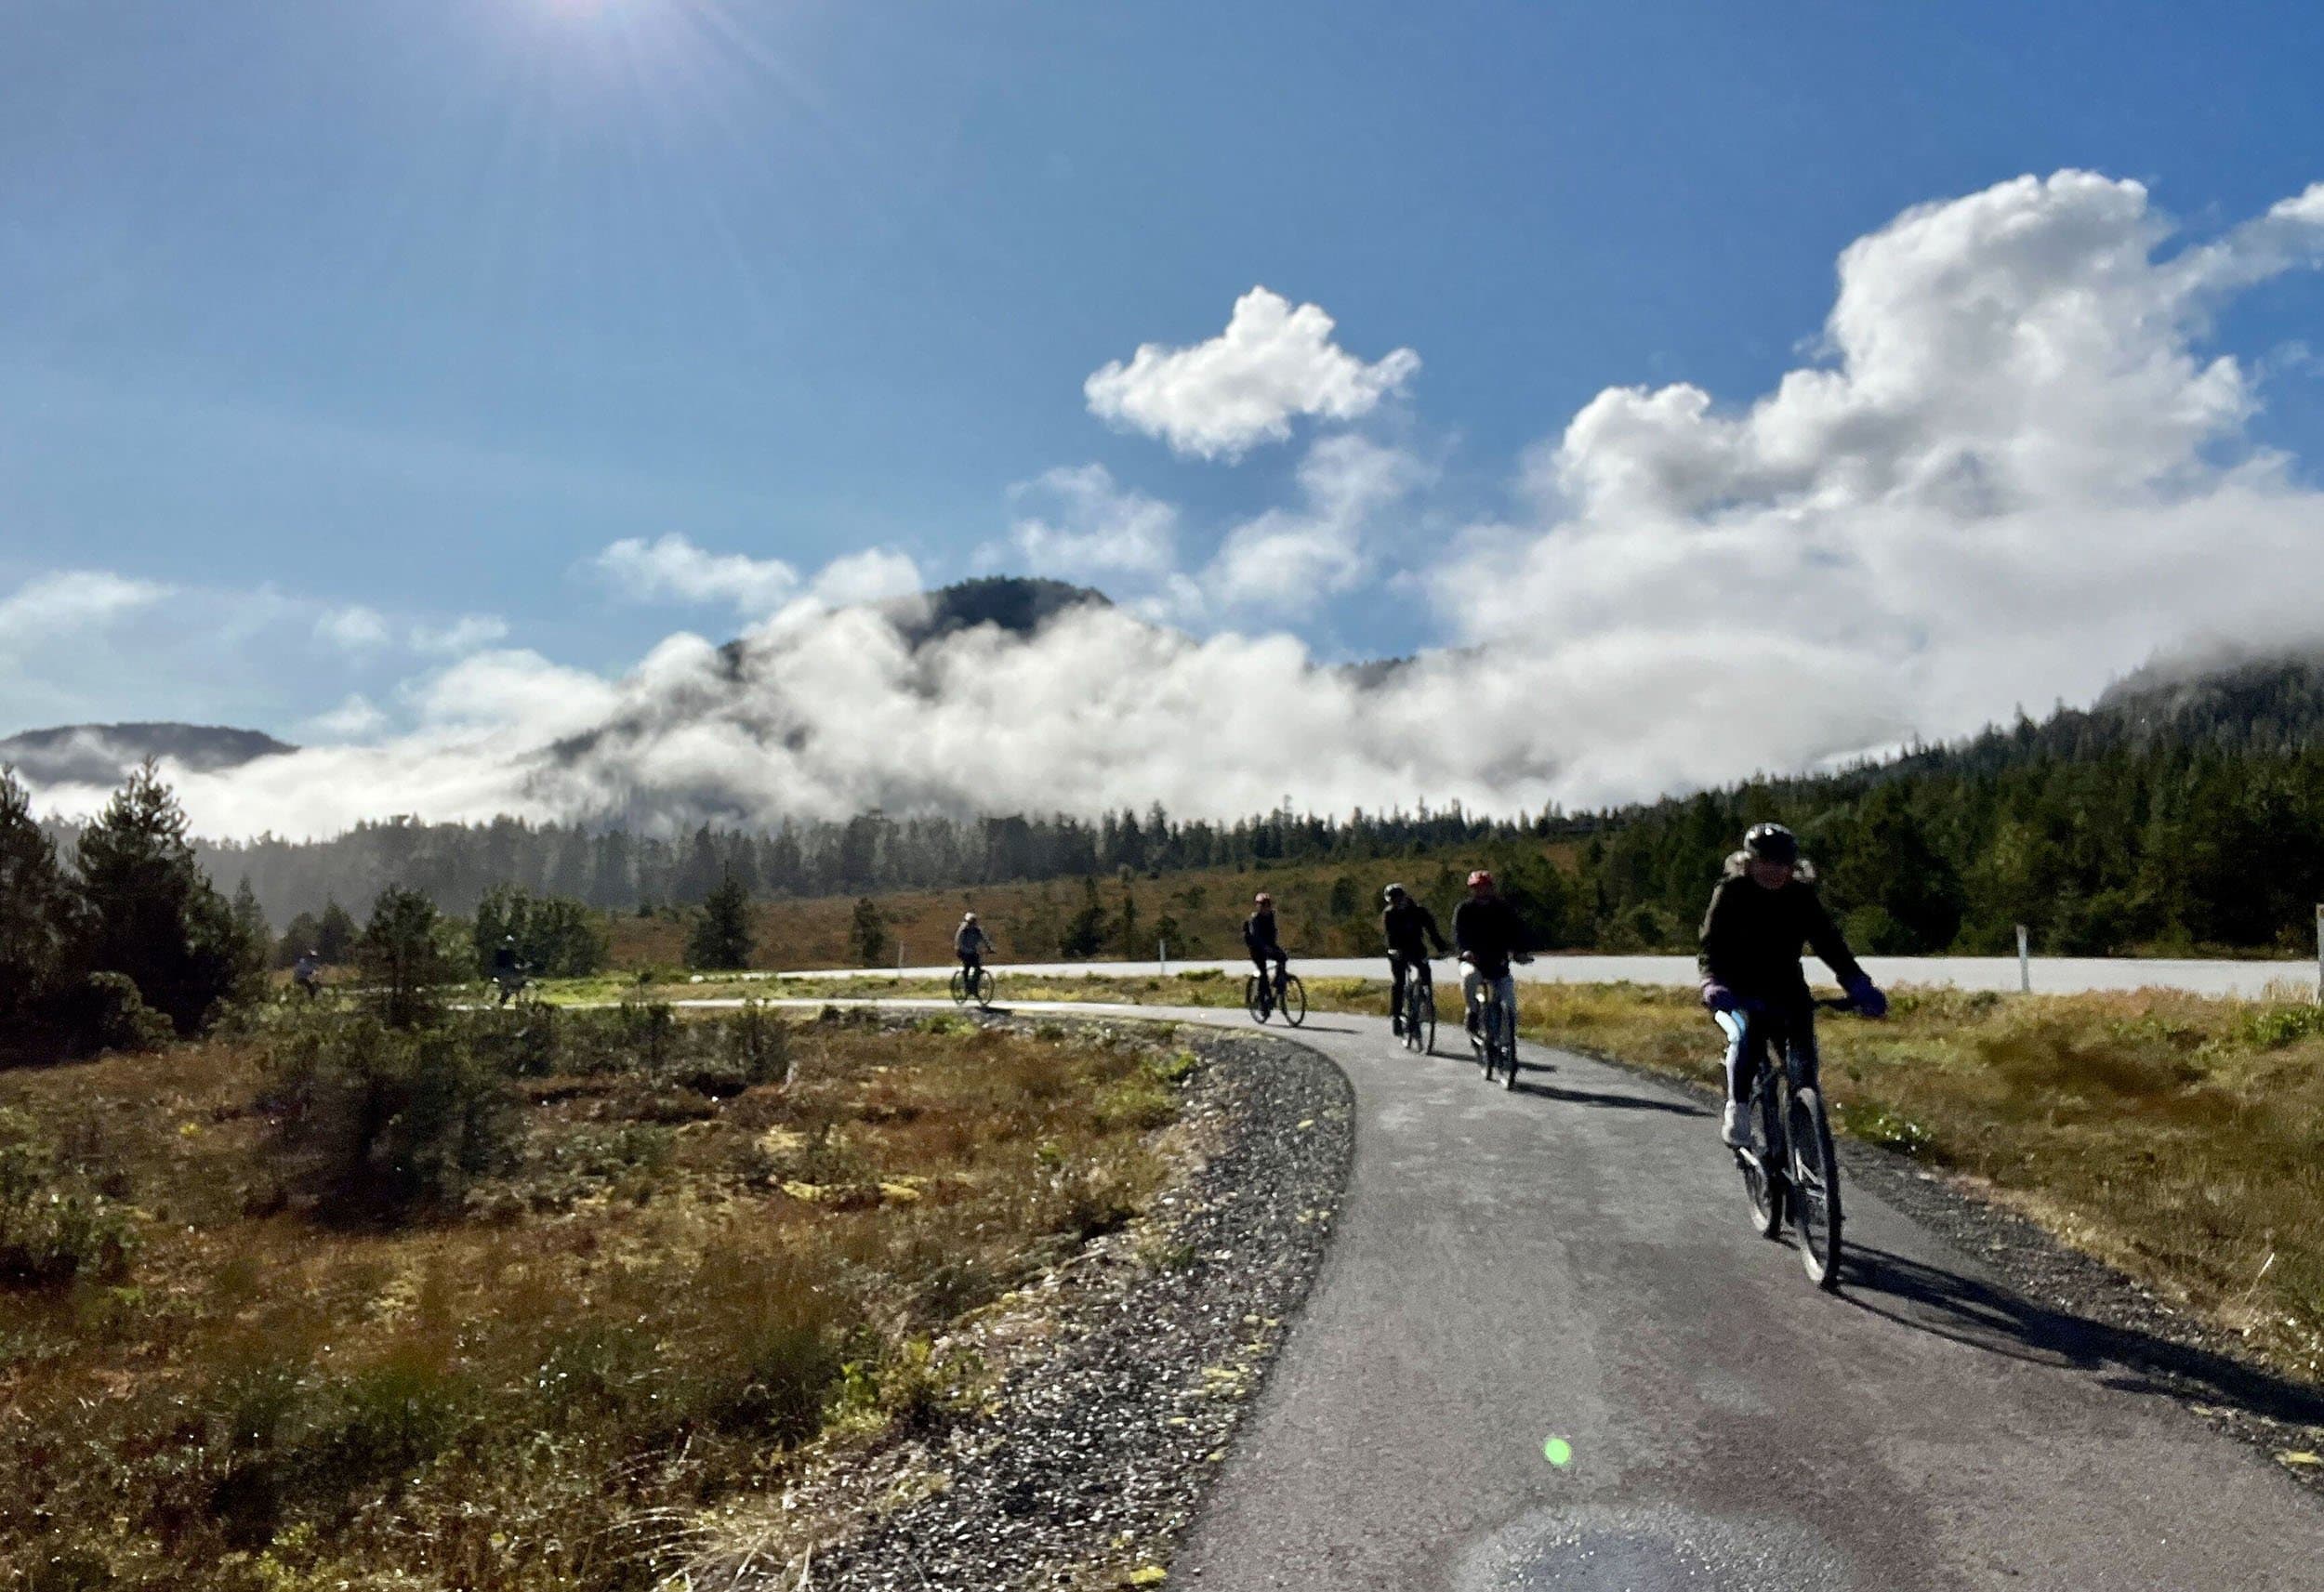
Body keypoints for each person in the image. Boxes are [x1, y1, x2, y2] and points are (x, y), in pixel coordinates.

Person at [1698, 822, 1887, 1149]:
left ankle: (1805, 1142)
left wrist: (1858, 984)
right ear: (1749, 861)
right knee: (1746, 1039)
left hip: (1788, 989)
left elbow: (1830, 944)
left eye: (1782, 864)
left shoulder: (1800, 897)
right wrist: (1712, 982)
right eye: (1766, 862)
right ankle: (1738, 1109)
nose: (1775, 870)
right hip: (1739, 990)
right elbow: (1711, 944)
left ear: (1793, 866)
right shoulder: (1731, 892)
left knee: (1804, 1070)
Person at [1452, 870, 1528, 1041]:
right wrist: (1465, 951)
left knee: (1510, 1007)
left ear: (1492, 888)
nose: (1482, 891)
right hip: (1472, 961)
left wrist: (1519, 952)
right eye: (1477, 888)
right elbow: (1458, 935)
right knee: (1470, 977)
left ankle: (1506, 1047)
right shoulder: (1464, 909)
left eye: (1485, 887)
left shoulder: (1503, 909)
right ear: (1472, 890)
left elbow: (1517, 931)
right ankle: (1472, 1012)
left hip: (1498, 964)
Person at [1381, 884, 1448, 1036]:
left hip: (1416, 949)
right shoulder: (1389, 914)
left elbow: (1432, 931)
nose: (1396, 902)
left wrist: (1441, 948)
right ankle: (1397, 1016)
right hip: (1397, 951)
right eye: (1392, 900)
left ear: (1405, 897)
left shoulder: (1419, 911)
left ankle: (1426, 1002)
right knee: (1399, 982)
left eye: (1399, 899)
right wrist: (1394, 950)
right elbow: (1389, 936)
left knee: (1425, 971)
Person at [1243, 892, 1289, 1008]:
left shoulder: (1271, 916)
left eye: (1268, 904)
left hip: (1269, 946)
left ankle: (1279, 983)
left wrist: (1274, 947)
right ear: (1258, 906)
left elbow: (1273, 932)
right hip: (1256, 949)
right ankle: (1262, 1001)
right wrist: (1266, 948)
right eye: (1263, 904)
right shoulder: (1255, 919)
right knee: (1263, 973)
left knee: (1283, 957)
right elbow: (1256, 938)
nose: (1266, 907)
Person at [955, 911, 993, 990]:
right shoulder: (963, 930)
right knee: (967, 967)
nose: (972, 924)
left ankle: (974, 988)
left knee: (978, 969)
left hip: (972, 952)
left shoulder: (977, 930)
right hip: (963, 952)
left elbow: (984, 939)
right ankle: (966, 986)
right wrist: (958, 948)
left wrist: (989, 948)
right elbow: (958, 940)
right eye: (970, 922)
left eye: (973, 921)